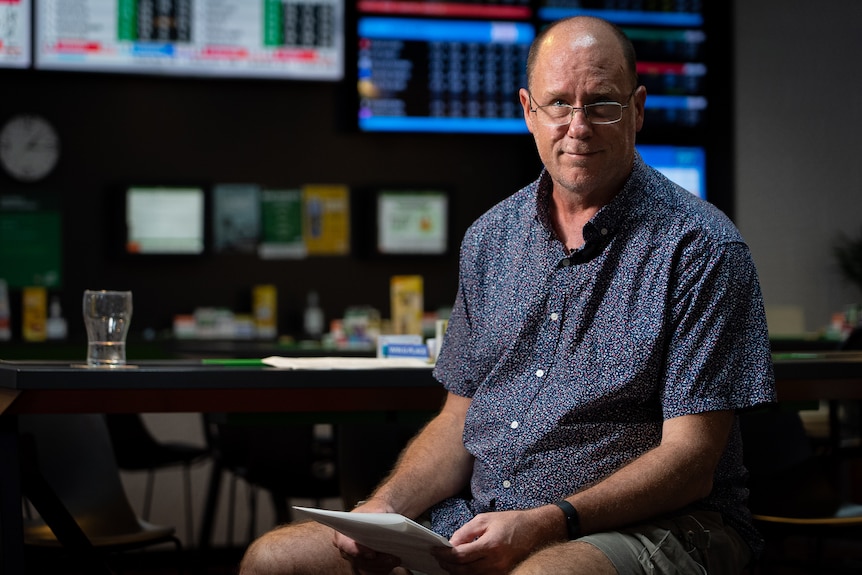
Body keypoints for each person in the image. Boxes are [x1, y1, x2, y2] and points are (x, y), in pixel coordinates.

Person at [240, 16, 776, 575]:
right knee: (276, 559)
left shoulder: (702, 247)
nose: (578, 126)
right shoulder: (490, 238)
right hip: (482, 517)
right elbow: (459, 419)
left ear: (637, 110)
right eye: (557, 104)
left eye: (602, 104)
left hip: (654, 526)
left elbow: (691, 462)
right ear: (528, 110)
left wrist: (546, 522)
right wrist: (385, 507)